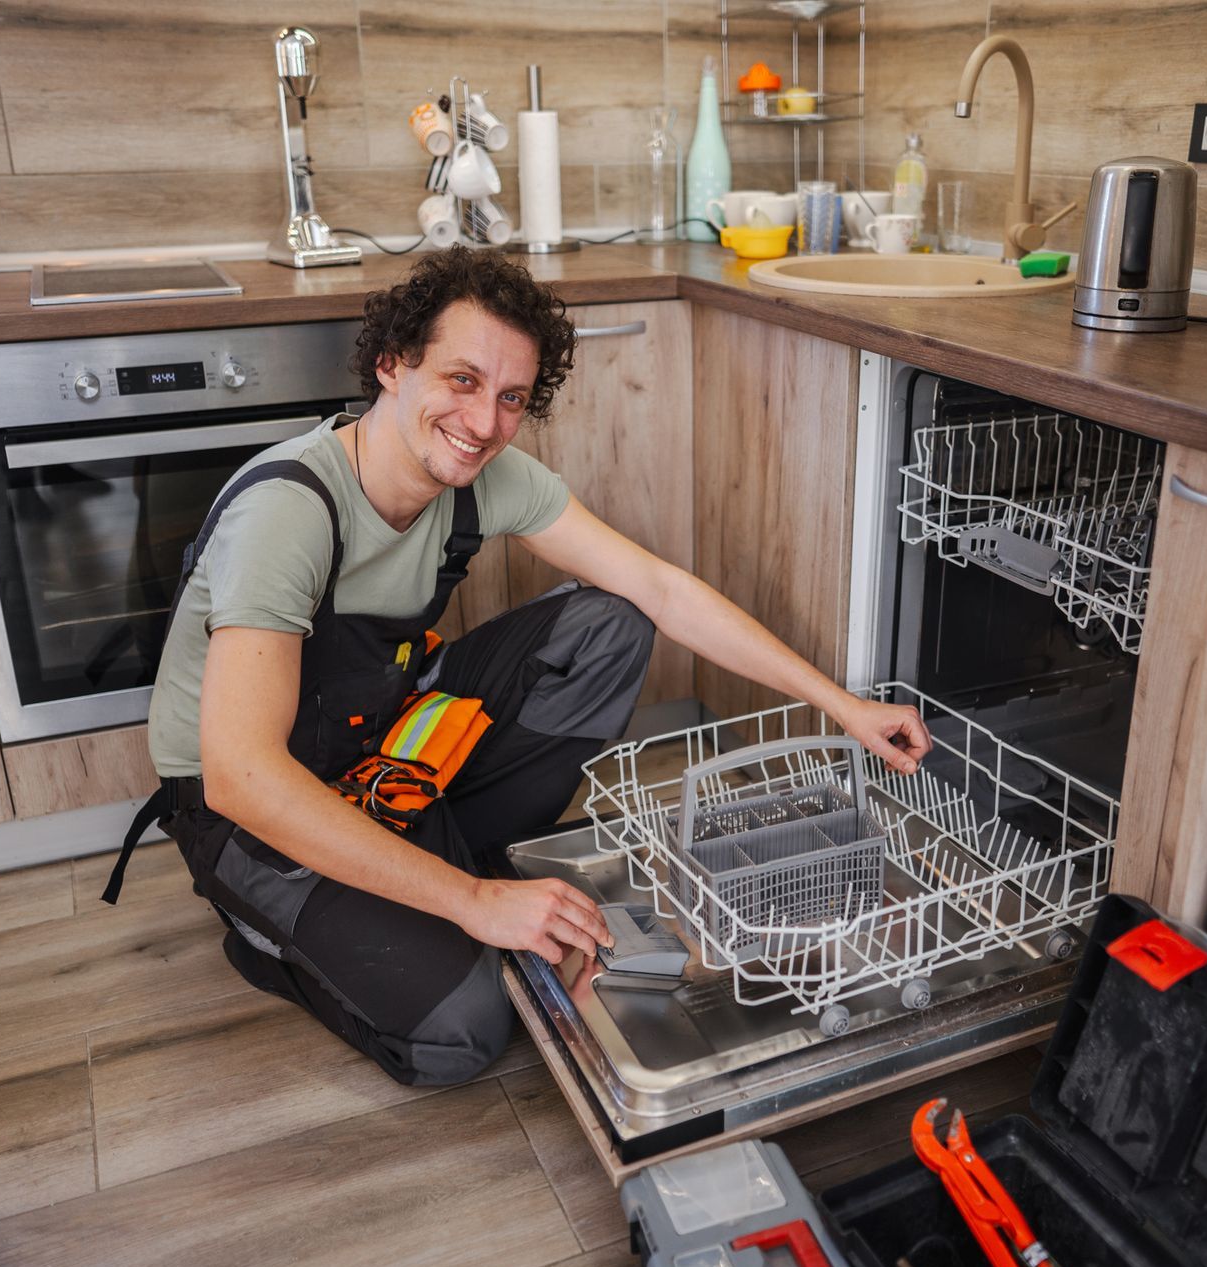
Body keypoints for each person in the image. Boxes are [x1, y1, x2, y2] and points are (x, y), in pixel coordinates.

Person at [108, 247, 930, 1087]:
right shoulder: (290, 511)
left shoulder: (484, 479)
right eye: (462, 380)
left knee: (610, 625)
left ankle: (460, 860)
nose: (484, 421)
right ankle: (282, 931)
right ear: (392, 364)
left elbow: (659, 588)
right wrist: (470, 904)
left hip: (373, 753)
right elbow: (242, 776)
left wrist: (842, 705)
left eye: (509, 398)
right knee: (462, 1031)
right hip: (246, 808)